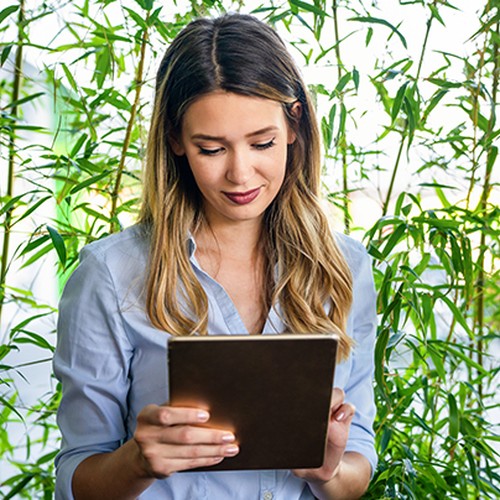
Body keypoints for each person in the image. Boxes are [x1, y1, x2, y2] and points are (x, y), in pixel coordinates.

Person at [53, 13, 378, 500]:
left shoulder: (345, 268)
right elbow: (77, 477)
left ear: (294, 126)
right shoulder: (110, 274)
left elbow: (359, 463)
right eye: (211, 149)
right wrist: (138, 462)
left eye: (262, 143)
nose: (240, 175)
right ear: (175, 141)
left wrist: (327, 469)